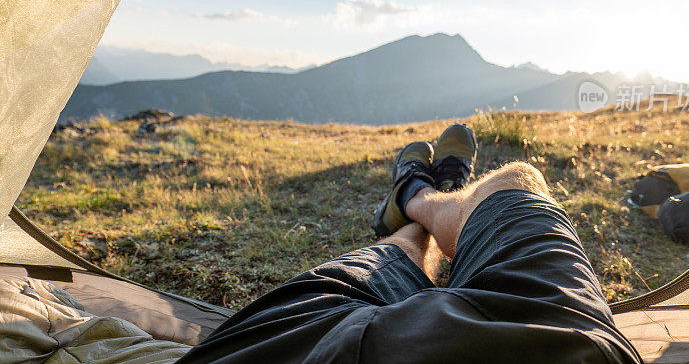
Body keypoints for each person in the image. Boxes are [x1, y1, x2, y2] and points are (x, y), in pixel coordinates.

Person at [180, 124, 642, 363]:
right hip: (559, 344)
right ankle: (425, 197)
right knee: (517, 182)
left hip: (301, 352)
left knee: (390, 260)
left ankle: (412, 199)